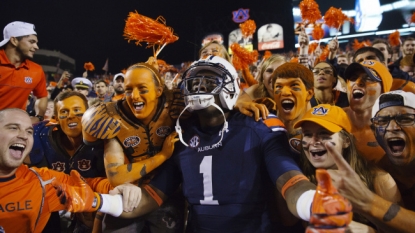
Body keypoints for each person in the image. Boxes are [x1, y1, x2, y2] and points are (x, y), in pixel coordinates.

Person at [118, 55, 352, 233]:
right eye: (196, 82)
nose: (200, 88)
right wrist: (98, 200)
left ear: (231, 87)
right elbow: (152, 195)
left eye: (209, 82)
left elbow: (291, 181)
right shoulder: (180, 135)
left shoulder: (260, 125)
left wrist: (314, 202)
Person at [82, 60, 187, 232]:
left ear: (159, 91)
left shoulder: (176, 105)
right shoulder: (112, 118)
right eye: (129, 90)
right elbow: (117, 177)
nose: (135, 96)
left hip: (168, 190)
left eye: (143, 89)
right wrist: (162, 156)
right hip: (128, 191)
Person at [0, 108, 142, 233]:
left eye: (29, 131)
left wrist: (121, 188)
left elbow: (87, 184)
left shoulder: (41, 181)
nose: (24, 136)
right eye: (13, 128)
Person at [294, 104, 402, 232]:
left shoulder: (379, 179)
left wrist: (366, 230)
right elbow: (286, 222)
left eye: (324, 133)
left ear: (346, 141)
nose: (313, 141)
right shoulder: (301, 179)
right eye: (307, 134)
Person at [26, 91, 106, 232]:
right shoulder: (39, 136)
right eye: (64, 111)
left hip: (96, 205)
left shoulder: (104, 137)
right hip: (53, 206)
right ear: (56, 118)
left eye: (77, 110)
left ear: (88, 113)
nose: (71, 115)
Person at [371, 90, 415, 211]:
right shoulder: (373, 176)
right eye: (382, 121)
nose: (392, 128)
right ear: (373, 131)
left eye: (405, 119)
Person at [343, 60, 393, 163]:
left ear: (384, 90)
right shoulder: (332, 118)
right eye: (353, 78)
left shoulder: (395, 129)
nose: (358, 82)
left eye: (369, 78)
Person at [0, 21, 48, 124]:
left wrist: (39, 117)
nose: (36, 47)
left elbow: (42, 96)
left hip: (13, 129)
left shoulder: (36, 70)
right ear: (14, 40)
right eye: (31, 42)